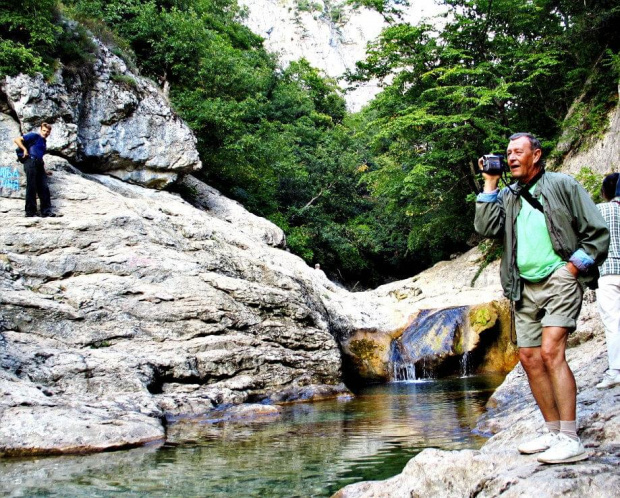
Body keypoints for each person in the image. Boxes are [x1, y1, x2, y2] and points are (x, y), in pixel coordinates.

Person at [474, 132, 609, 464]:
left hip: (559, 279)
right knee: (530, 358)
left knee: (551, 352)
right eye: (507, 153)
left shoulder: (563, 185)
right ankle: (552, 431)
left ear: (536, 154)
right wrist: (490, 184)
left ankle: (570, 438)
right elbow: (485, 227)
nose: (511, 158)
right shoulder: (508, 194)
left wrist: (573, 269)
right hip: (524, 286)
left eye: (518, 152)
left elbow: (597, 232)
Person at [595, 173, 620, 389]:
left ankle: (616, 371)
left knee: (613, 323)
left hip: (609, 271)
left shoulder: (600, 210)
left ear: (605, 192)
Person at [13, 122, 56, 217]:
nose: (45, 133)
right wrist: (24, 149)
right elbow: (17, 140)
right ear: (40, 130)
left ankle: (46, 211)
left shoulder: (44, 142)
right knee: (31, 186)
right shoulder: (34, 136)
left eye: (48, 132)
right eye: (44, 130)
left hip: (39, 164)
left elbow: (40, 157)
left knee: (44, 187)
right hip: (30, 161)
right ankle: (30, 212)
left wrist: (44, 171)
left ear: (49, 133)